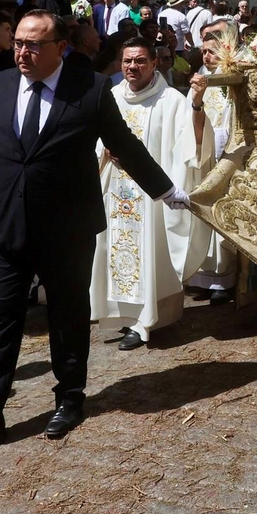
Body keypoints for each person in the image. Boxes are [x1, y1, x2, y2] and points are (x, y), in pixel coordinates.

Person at [0, 10, 192, 460]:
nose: (22, 53)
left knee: (67, 318)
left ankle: (69, 398)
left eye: (33, 45)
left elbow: (123, 144)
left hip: (67, 228)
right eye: (18, 43)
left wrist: (165, 189)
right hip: (6, 228)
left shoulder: (88, 89)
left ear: (59, 49)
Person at [89, 41, 209, 349]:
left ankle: (144, 322)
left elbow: (191, 147)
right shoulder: (111, 96)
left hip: (152, 198)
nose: (132, 67)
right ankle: (120, 315)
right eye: (127, 61)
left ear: (154, 63)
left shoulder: (170, 100)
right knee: (110, 251)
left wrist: (196, 105)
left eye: (140, 61)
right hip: (115, 189)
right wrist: (107, 154)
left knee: (148, 255)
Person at [186, 20, 238, 303]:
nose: (206, 57)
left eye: (212, 51)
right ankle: (201, 275)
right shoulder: (199, 79)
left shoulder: (234, 78)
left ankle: (224, 278)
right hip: (202, 155)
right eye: (203, 51)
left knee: (223, 216)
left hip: (227, 156)